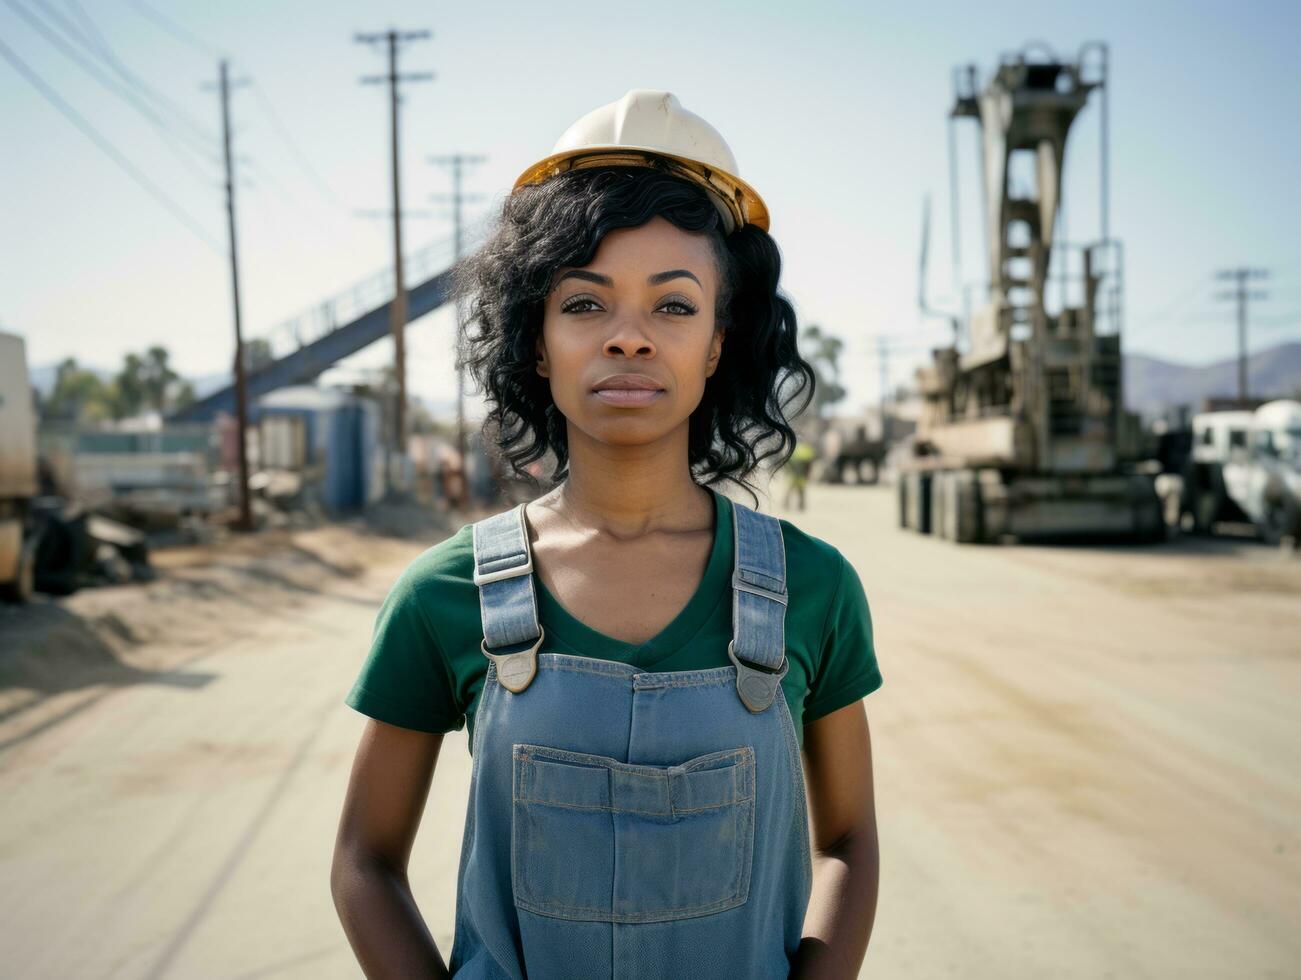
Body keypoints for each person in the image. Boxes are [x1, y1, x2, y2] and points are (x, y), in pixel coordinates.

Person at [332, 89, 882, 979]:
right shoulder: (443, 595)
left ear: (716, 342)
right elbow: (364, 860)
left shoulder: (814, 588)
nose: (628, 339)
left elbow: (849, 839)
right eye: (585, 305)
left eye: (672, 306)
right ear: (536, 339)